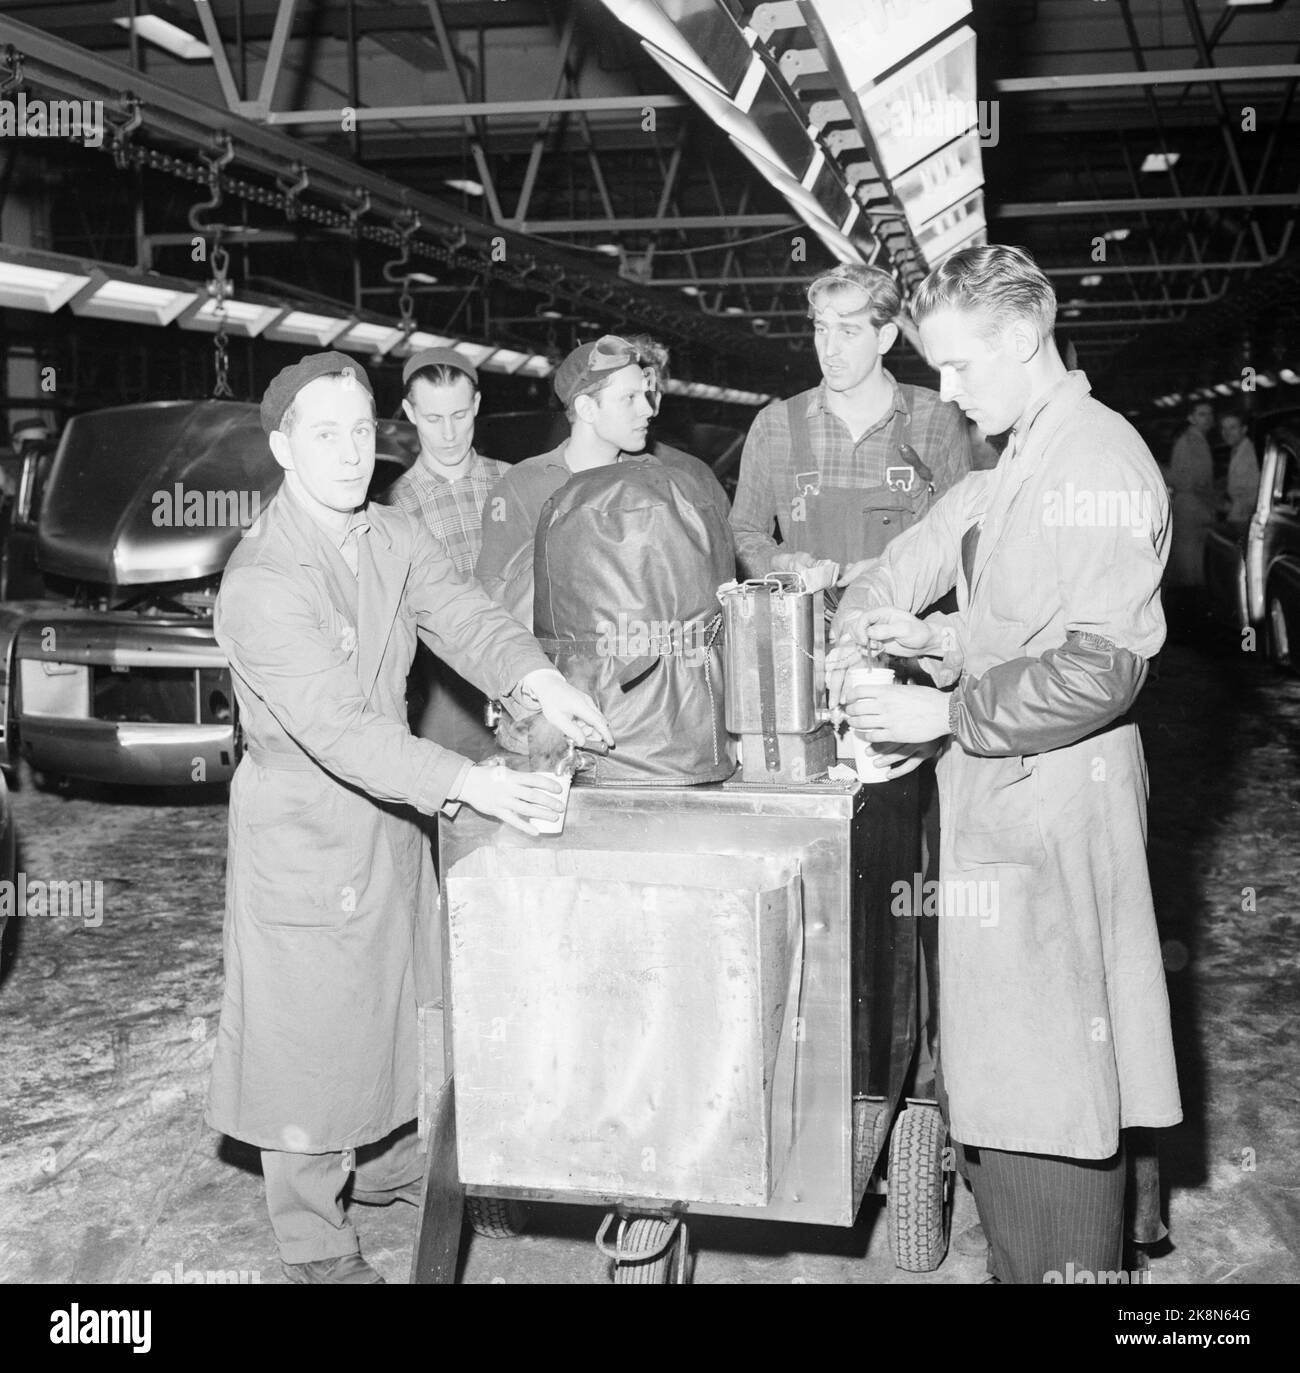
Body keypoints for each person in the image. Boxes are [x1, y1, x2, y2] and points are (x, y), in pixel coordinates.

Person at [206, 352, 612, 1284]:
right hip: (309, 826)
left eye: (360, 431)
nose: (351, 453)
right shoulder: (263, 579)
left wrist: (536, 676)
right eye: (324, 434)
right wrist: (469, 781)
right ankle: (313, 1236)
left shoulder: (387, 532)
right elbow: (339, 730)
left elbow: (463, 613)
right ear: (281, 446)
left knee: (402, 996)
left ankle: (389, 1165)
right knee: (308, 1030)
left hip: (392, 806)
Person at [829, 244, 1182, 1285]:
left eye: (959, 366)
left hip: (1051, 817)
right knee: (1017, 1089)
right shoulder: (1027, 452)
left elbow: (1099, 669)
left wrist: (940, 707)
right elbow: (1020, 625)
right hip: (1008, 809)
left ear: (1023, 339)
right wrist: (930, 639)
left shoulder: (1096, 462)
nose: (946, 389)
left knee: (1051, 1100)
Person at [475, 334, 729, 626]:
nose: (647, 410)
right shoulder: (522, 486)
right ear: (587, 409)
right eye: (629, 398)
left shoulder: (655, 480)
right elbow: (493, 599)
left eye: (644, 394)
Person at [378, 346, 508, 760]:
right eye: (434, 419)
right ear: (410, 412)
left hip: (520, 678)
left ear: (477, 405)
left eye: (459, 415)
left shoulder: (514, 484)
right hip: (441, 695)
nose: (449, 434)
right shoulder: (392, 506)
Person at [1166, 400, 1216, 630]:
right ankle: (1187, 628)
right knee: (1190, 571)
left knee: (1189, 570)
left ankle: (1187, 627)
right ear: (1191, 417)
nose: (1207, 418)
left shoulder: (1196, 440)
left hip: (1191, 509)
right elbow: (1190, 480)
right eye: (1201, 413)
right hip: (1191, 509)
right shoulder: (1190, 442)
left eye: (1209, 414)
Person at [1220, 409, 1260, 525]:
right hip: (1239, 516)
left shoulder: (1251, 454)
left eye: (1232, 428)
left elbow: (1255, 493)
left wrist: (1235, 506)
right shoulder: (1237, 450)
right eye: (1224, 428)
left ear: (1244, 429)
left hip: (1245, 520)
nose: (1227, 433)